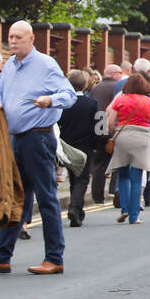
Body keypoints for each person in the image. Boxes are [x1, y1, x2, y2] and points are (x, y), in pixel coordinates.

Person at [0, 22, 76, 276]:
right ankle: (1, 258)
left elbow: (70, 94)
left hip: (38, 138)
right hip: (16, 138)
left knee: (46, 198)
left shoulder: (46, 64)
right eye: (10, 37)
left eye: (18, 37)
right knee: (15, 198)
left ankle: (54, 258)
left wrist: (50, 100)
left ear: (31, 38)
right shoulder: (9, 65)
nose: (13, 41)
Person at [106, 73, 150, 224]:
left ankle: (124, 209)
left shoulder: (120, 99)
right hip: (142, 138)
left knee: (123, 175)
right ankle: (134, 216)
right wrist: (147, 130)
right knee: (137, 178)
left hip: (123, 137)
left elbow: (110, 123)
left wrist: (116, 133)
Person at [59, 69, 99, 227]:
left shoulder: (63, 104)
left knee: (73, 177)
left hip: (66, 146)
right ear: (84, 86)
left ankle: (77, 209)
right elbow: (98, 127)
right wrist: (97, 145)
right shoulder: (92, 103)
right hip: (85, 147)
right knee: (82, 179)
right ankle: (75, 209)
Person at [88, 64, 122, 206]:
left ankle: (98, 197)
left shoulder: (96, 87)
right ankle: (114, 191)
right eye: (119, 72)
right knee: (118, 162)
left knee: (99, 164)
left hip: (98, 128)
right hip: (113, 128)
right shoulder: (117, 87)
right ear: (114, 74)